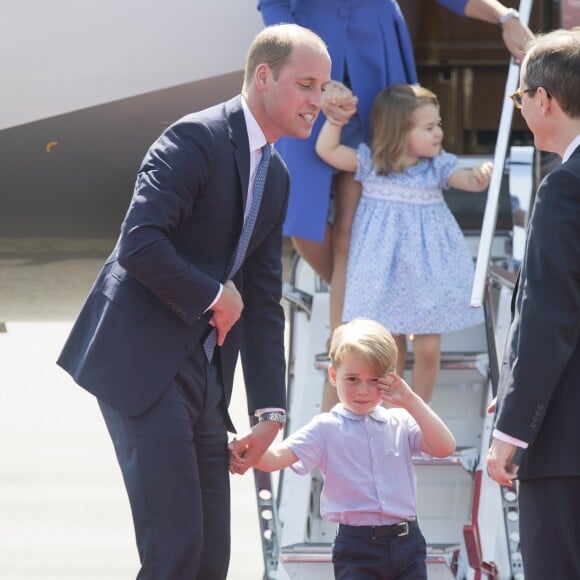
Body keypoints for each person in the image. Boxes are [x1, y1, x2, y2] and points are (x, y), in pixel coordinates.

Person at [56, 24, 331, 580]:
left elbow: (262, 300)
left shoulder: (275, 175)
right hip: (144, 365)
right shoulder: (195, 138)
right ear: (263, 77)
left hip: (204, 377)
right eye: (306, 85)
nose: (317, 102)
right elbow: (139, 243)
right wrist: (213, 294)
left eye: (323, 88)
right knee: (175, 552)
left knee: (210, 559)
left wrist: (268, 412)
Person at [257, 0, 534, 337]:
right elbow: (272, 4)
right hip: (306, 55)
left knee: (350, 227)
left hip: (377, 58)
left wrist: (505, 16)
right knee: (298, 215)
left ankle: (348, 350)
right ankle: (380, 311)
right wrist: (309, 72)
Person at [229, 317, 456, 579]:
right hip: (357, 547)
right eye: (353, 379)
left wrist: (411, 400)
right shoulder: (325, 427)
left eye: (374, 381)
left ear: (390, 379)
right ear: (334, 376)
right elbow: (276, 458)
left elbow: (444, 447)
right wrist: (244, 449)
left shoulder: (401, 421)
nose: (363, 390)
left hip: (409, 543)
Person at [316, 84, 492, 404]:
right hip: (385, 273)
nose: (438, 133)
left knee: (427, 349)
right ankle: (387, 414)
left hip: (426, 275)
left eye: (439, 125)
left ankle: (417, 412)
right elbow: (327, 151)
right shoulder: (371, 164)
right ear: (400, 131)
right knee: (389, 348)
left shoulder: (436, 167)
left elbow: (465, 180)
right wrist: (337, 120)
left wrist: (478, 177)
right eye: (429, 127)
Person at [486, 29, 580, 579]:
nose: (522, 108)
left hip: (566, 445)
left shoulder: (565, 186)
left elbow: (551, 319)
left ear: (544, 98)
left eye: (520, 97)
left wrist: (513, 430)